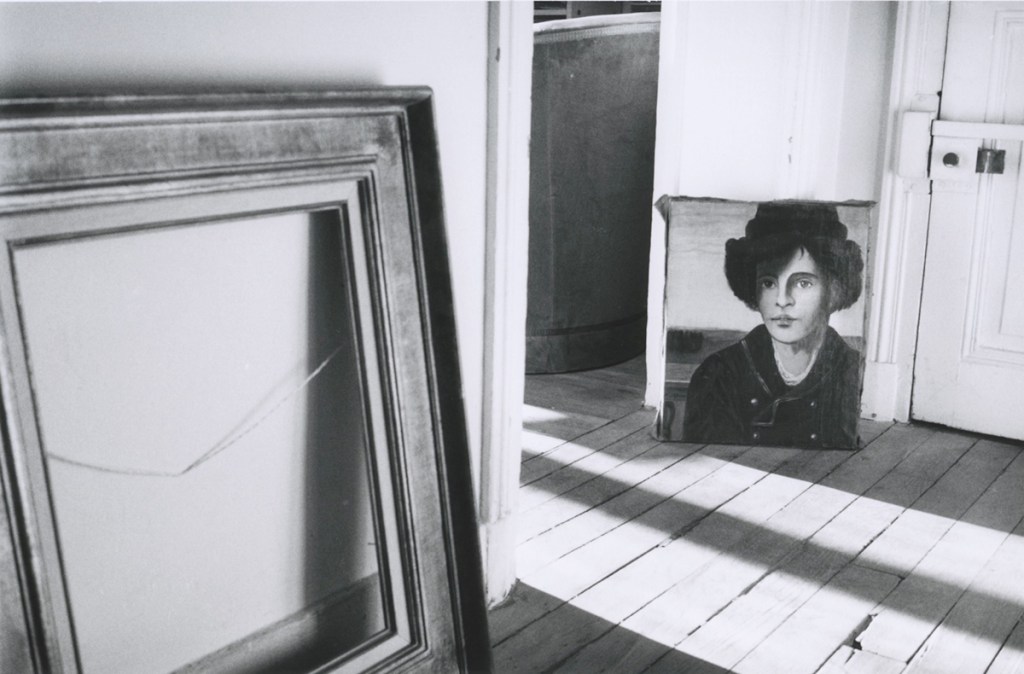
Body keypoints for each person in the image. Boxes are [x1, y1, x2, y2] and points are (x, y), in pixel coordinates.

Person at [682, 201, 864, 448]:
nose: (782, 300)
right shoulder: (718, 376)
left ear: (833, 290)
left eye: (803, 283)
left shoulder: (853, 371)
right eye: (768, 283)